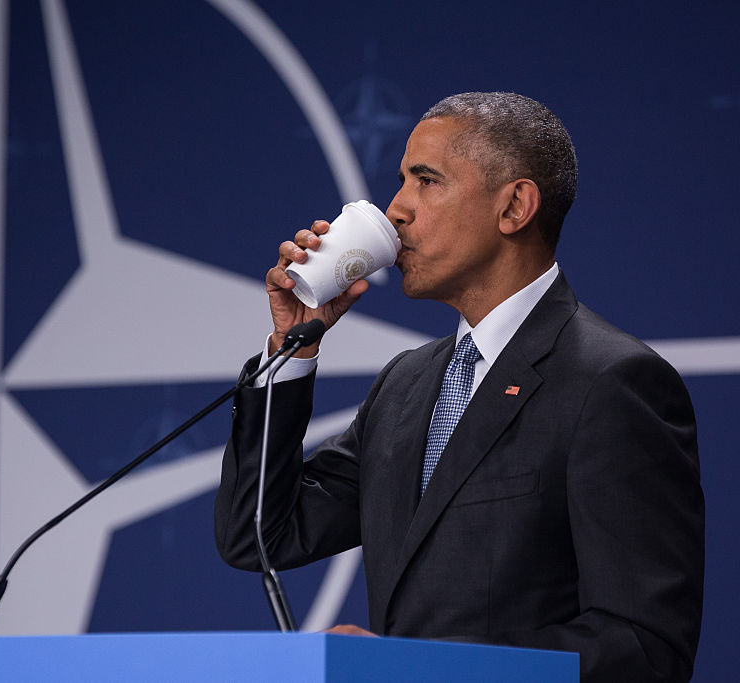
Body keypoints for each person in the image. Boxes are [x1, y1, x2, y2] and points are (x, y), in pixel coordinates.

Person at [213, 92, 704, 682]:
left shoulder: (612, 383)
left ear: (514, 206)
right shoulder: (407, 384)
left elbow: (644, 648)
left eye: (426, 180)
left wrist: (424, 670)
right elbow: (262, 535)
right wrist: (291, 352)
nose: (395, 209)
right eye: (401, 180)